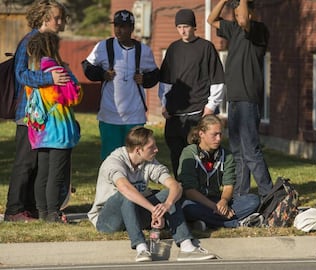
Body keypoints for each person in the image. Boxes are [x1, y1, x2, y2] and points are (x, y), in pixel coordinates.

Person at [88, 126, 216, 262]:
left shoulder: (148, 162)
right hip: (108, 221)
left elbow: (175, 186)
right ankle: (141, 248)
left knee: (170, 193)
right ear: (138, 150)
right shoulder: (114, 161)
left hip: (134, 214)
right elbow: (124, 187)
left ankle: (187, 247)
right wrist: (153, 209)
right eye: (152, 147)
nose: (156, 149)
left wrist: (167, 205)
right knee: (127, 194)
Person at [4, 0, 71, 222]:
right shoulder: (30, 41)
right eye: (57, 18)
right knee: (25, 162)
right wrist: (48, 77)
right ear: (44, 18)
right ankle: (14, 210)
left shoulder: (47, 42)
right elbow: (21, 74)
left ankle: (31, 207)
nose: (61, 23)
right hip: (28, 113)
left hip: (43, 115)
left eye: (62, 18)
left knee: (37, 163)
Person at [207, 0, 273, 199]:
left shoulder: (259, 31)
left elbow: (244, 19)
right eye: (234, 14)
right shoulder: (233, 29)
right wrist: (224, 2)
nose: (237, 17)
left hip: (248, 98)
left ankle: (268, 194)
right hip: (234, 99)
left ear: (252, 12)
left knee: (251, 150)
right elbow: (211, 20)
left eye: (239, 13)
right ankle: (241, 194)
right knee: (237, 151)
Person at [84, 9, 160, 160]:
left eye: (123, 26)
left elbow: (155, 74)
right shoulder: (103, 47)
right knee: (110, 157)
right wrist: (102, 75)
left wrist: (145, 79)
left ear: (132, 28)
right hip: (110, 114)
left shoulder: (143, 50)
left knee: (136, 156)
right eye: (116, 25)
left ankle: (134, 183)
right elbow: (87, 67)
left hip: (135, 114)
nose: (119, 29)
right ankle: (110, 183)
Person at [158, 8, 224, 177]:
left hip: (198, 113)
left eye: (186, 26)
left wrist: (210, 107)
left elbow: (217, 80)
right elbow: (165, 80)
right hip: (174, 116)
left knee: (200, 157)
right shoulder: (173, 49)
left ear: (194, 27)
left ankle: (202, 191)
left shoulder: (206, 48)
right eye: (179, 27)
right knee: (176, 157)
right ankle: (181, 191)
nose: (183, 31)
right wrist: (164, 104)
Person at [25, 31, 82, 222]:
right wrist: (71, 75)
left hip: (39, 131)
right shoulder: (57, 71)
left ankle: (42, 212)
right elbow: (74, 97)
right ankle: (53, 213)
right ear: (52, 48)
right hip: (58, 131)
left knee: (43, 172)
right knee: (56, 174)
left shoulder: (33, 73)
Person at [177, 115, 260, 230]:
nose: (219, 139)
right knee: (187, 208)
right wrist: (216, 207)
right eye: (214, 135)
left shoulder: (227, 155)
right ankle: (235, 223)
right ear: (201, 134)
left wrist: (224, 201)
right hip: (196, 201)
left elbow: (228, 185)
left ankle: (205, 222)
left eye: (220, 134)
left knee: (253, 200)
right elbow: (190, 191)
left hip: (216, 200)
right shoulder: (189, 153)